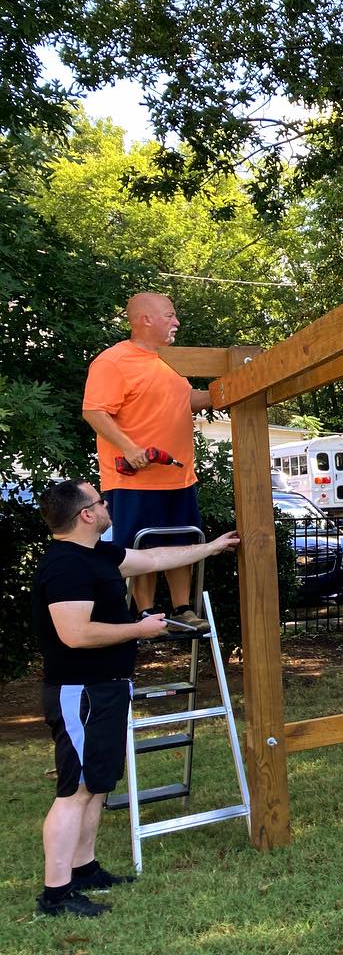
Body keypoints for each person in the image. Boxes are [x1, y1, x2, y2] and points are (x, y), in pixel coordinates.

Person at [32, 479, 239, 918]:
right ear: (86, 515)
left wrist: (212, 547)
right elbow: (75, 634)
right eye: (100, 501)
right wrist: (139, 630)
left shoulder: (99, 555)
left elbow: (154, 558)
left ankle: (84, 869)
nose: (107, 506)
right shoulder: (66, 566)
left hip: (106, 686)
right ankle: (56, 893)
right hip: (80, 692)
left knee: (94, 785)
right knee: (74, 790)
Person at [82, 293, 215, 631]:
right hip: (133, 479)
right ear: (145, 319)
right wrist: (128, 447)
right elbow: (94, 410)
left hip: (179, 476)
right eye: (169, 316)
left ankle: (183, 609)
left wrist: (233, 388)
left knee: (182, 543)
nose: (176, 322)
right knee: (143, 545)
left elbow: (191, 400)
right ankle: (146, 613)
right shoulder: (114, 361)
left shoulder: (169, 365)